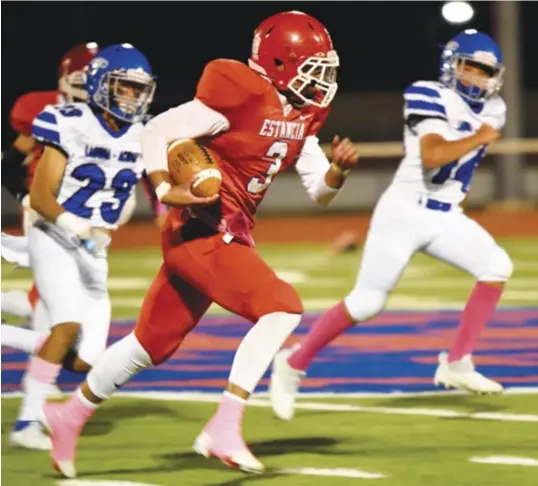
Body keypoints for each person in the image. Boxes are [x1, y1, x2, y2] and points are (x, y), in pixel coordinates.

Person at [40, 11, 359, 479]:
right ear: (278, 62)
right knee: (283, 306)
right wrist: (166, 188)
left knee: (150, 344)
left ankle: (68, 416)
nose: (323, 80)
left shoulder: (303, 114)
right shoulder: (241, 92)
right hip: (201, 228)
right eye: (313, 67)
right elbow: (156, 131)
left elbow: (320, 192)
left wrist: (338, 172)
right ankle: (225, 425)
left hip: (227, 233)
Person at [270, 30, 511, 422]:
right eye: (472, 68)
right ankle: (292, 363)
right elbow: (433, 156)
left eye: (486, 72)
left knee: (497, 266)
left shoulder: (494, 108)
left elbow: (459, 162)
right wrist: (480, 136)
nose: (479, 79)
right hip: (404, 212)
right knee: (367, 303)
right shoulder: (427, 94)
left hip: (446, 213)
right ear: (452, 66)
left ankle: (457, 362)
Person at [4, 43, 157, 454]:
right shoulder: (64, 120)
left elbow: (158, 183)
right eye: (124, 88)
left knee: (83, 360)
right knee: (64, 325)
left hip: (94, 246)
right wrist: (75, 226)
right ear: (101, 84)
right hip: (53, 232)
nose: (133, 97)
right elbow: (39, 194)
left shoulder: (144, 132)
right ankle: (28, 421)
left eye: (138, 89)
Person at [1, 43, 100, 321]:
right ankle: (43, 358)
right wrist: (27, 198)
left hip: (83, 208)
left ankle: (45, 352)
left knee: (60, 296)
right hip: (46, 205)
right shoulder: (42, 110)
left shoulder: (109, 116)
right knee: (54, 297)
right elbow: (8, 166)